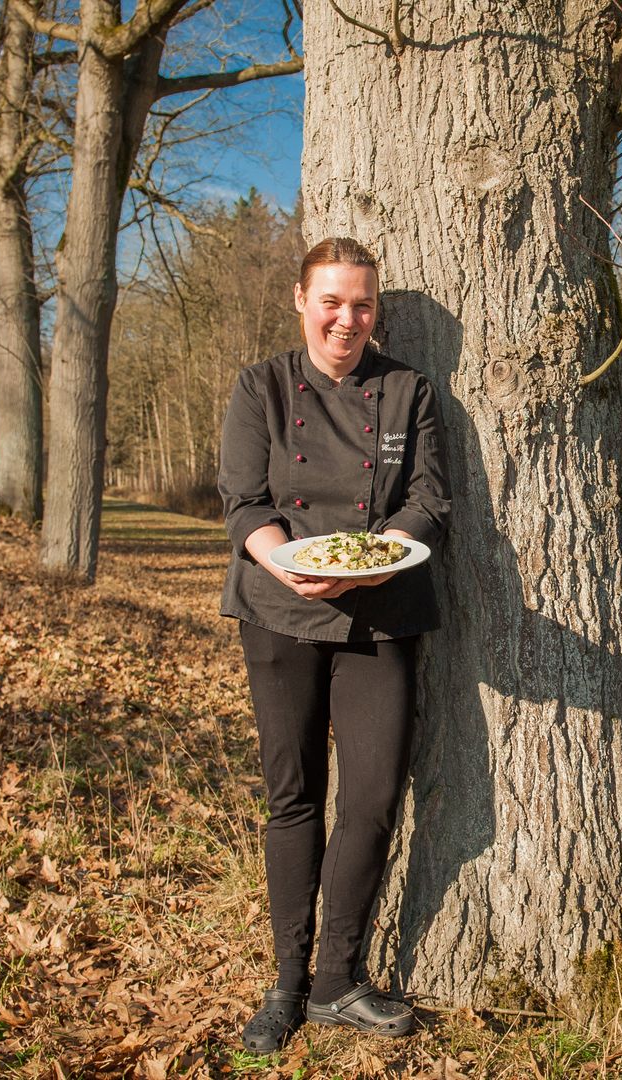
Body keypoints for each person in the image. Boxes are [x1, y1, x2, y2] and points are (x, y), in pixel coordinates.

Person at [217, 237, 449, 1052]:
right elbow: (243, 501)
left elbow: (428, 501)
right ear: (300, 300)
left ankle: (336, 980)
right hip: (278, 611)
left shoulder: (407, 389)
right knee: (294, 798)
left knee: (374, 798)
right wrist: (290, 560)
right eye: (332, 301)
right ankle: (284, 985)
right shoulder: (263, 387)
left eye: (362, 304)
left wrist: (367, 561)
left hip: (381, 610)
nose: (347, 319)